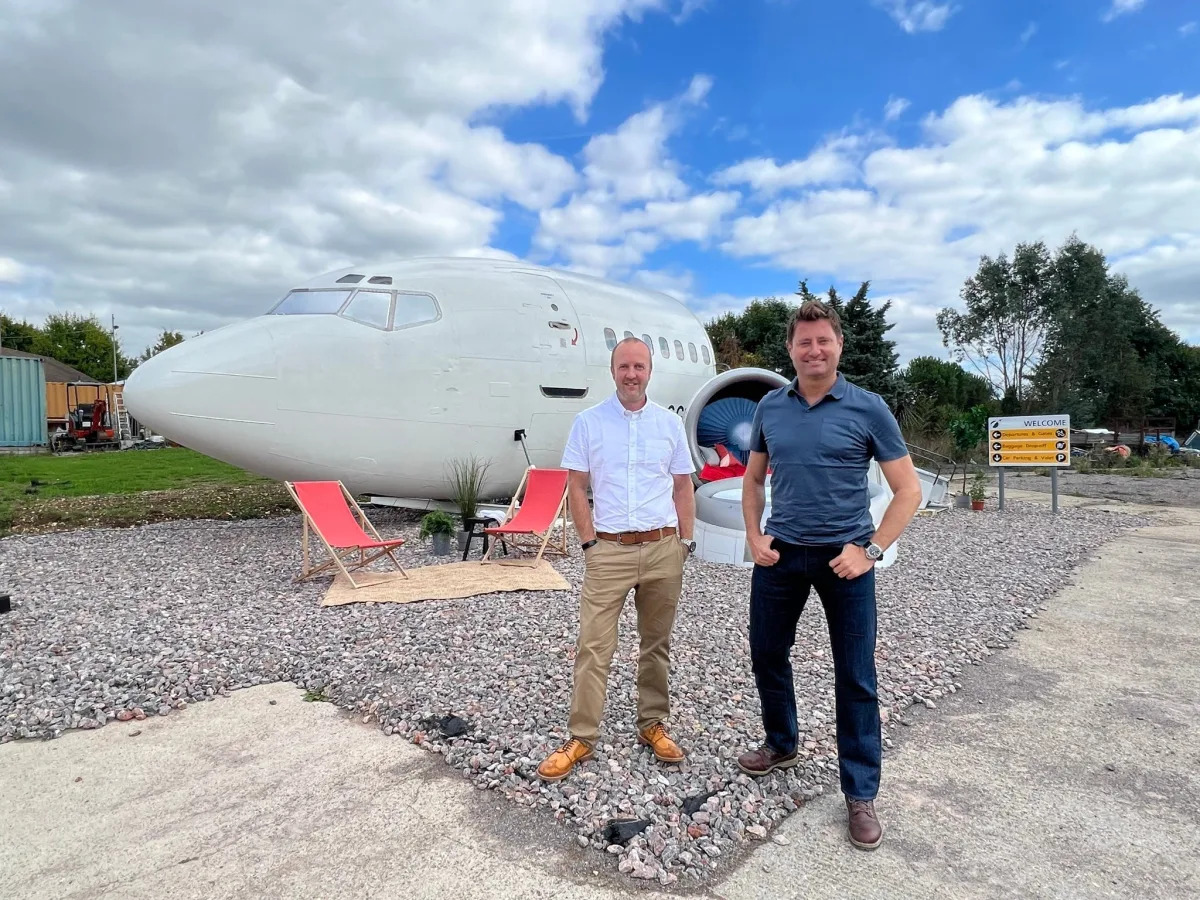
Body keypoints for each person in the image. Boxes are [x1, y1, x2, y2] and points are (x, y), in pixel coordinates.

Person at [737, 299, 923, 850]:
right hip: (781, 555)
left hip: (846, 562)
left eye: (823, 341)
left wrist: (870, 549)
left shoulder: (868, 409)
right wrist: (753, 536)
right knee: (767, 653)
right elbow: (751, 482)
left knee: (856, 675)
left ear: (839, 344)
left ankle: (860, 792)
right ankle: (781, 742)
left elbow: (908, 491)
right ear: (791, 350)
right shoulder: (771, 407)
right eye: (803, 343)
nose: (814, 351)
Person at [536, 336, 698, 782]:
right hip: (608, 551)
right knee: (593, 646)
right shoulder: (588, 423)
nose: (631, 374)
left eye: (639, 366)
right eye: (624, 366)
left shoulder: (668, 424)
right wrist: (589, 544)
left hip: (664, 549)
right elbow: (577, 486)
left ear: (649, 372)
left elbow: (683, 486)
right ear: (612, 371)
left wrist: (686, 543)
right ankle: (582, 737)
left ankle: (652, 724)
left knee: (656, 644)